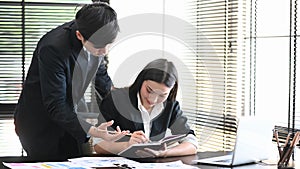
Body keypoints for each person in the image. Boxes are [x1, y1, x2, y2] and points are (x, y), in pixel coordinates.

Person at [14, 1, 128, 161]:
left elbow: (101, 78)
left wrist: (124, 107)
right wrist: (93, 130)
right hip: (41, 125)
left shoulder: (97, 38)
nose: (105, 51)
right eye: (99, 47)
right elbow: (56, 104)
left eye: (109, 45)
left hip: (71, 119)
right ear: (79, 35)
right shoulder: (53, 48)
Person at [94, 58, 198, 158]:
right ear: (141, 80)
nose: (153, 99)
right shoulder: (115, 99)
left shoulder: (170, 106)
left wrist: (164, 153)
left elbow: (191, 142)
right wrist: (127, 145)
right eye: (149, 90)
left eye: (162, 95)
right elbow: (98, 145)